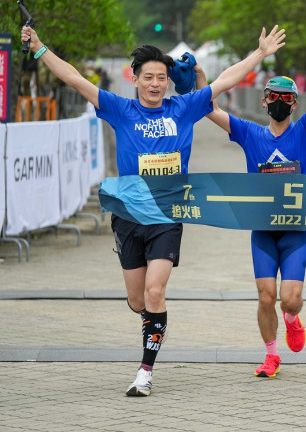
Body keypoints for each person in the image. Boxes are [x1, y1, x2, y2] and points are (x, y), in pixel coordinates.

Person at [20, 24, 286, 396]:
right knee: (138, 300)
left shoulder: (184, 106)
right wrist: (38, 48)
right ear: (135, 79)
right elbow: (75, 78)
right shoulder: (120, 109)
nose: (156, 84)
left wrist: (259, 54)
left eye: (162, 77)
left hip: (167, 215)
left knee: (155, 291)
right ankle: (152, 326)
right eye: (149, 78)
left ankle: (145, 371)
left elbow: (225, 80)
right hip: (129, 216)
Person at [197, 23, 306, 379]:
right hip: (261, 231)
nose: (279, 102)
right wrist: (200, 76)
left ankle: (292, 318)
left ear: (294, 103)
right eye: (273, 96)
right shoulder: (249, 132)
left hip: (294, 233)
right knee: (263, 296)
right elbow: (208, 107)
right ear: (263, 99)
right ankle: (272, 355)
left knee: (290, 298)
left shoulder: (304, 131)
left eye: (287, 98)